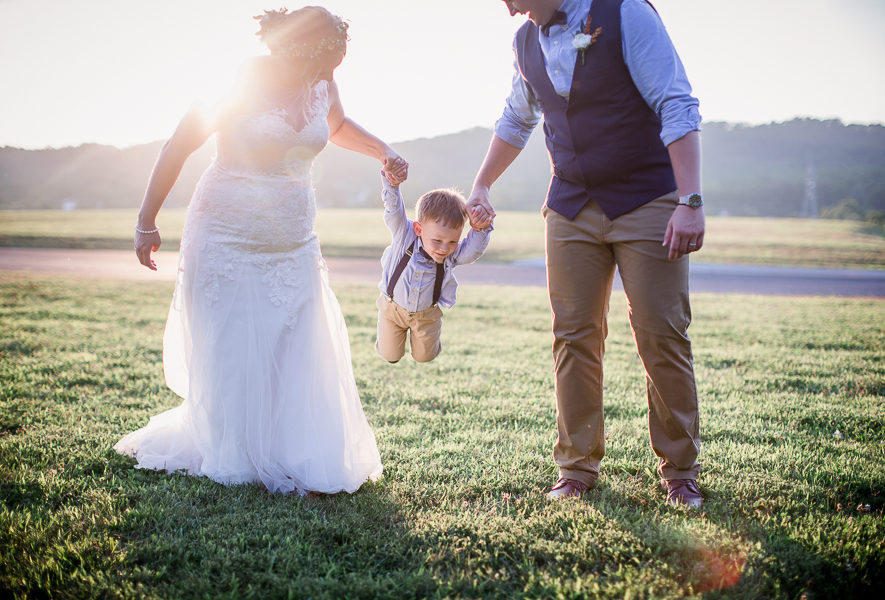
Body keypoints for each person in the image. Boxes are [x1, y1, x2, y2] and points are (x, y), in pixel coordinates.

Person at [116, 7, 409, 496]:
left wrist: (383, 151)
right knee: (233, 347)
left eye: (333, 67)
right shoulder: (240, 80)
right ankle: (233, 449)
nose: (327, 77)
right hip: (225, 233)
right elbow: (179, 144)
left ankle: (292, 449)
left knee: (294, 345)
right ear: (297, 52)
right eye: (323, 65)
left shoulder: (323, 83)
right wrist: (146, 220)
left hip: (294, 240)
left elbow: (335, 127)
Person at [467, 0, 705, 507]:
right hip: (571, 203)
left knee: (660, 333)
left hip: (648, 200)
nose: (510, 11)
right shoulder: (525, 41)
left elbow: (676, 103)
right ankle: (576, 468)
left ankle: (680, 471)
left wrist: (689, 200)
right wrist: (482, 184)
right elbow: (516, 117)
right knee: (572, 337)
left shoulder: (627, 14)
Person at [376, 171, 492, 363]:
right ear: (419, 229)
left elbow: (472, 251)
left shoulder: (450, 256)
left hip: (426, 315)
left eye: (453, 241)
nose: (444, 248)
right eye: (437, 240)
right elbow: (394, 209)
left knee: (425, 356)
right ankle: (390, 345)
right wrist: (392, 184)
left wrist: (481, 228)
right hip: (392, 310)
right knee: (391, 354)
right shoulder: (404, 236)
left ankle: (426, 346)